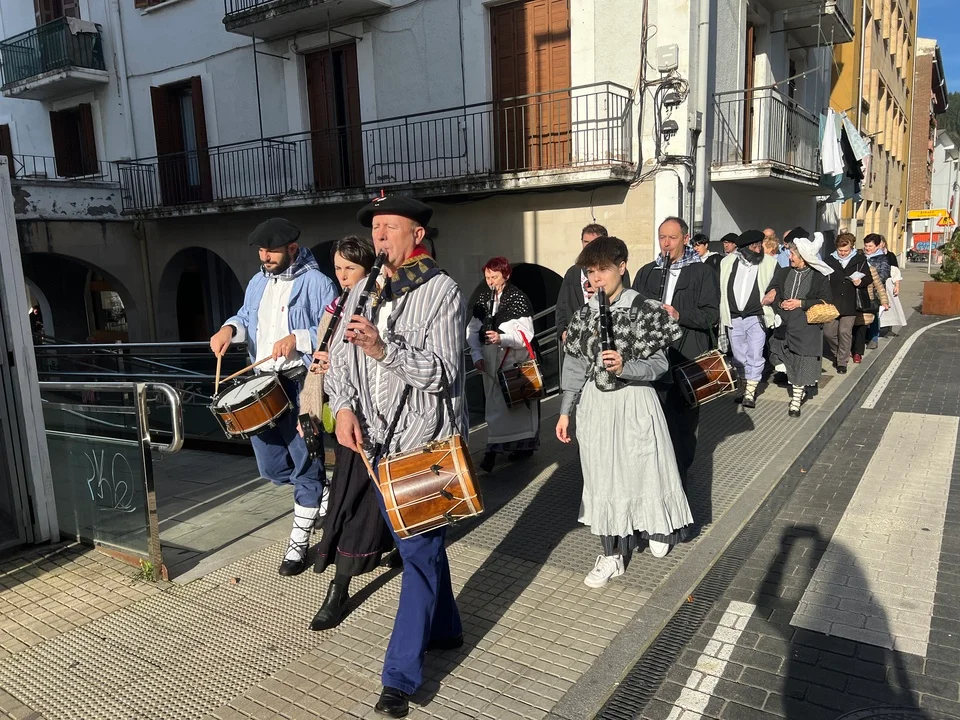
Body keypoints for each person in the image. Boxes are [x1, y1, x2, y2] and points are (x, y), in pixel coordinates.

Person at [324, 194, 465, 719]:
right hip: (373, 445)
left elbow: (443, 373)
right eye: (375, 228)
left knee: (418, 554)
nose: (379, 236)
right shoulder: (362, 289)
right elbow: (339, 360)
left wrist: (383, 349)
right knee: (421, 548)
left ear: (417, 235)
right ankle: (446, 628)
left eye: (389, 227)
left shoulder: (442, 290)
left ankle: (399, 679)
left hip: (423, 446)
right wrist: (342, 407)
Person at [556, 236, 692, 586]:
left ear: (622, 267)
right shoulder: (584, 315)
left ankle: (657, 526)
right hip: (596, 405)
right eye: (591, 271)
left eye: (603, 269)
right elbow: (574, 366)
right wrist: (565, 411)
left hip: (634, 400)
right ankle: (612, 554)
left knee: (644, 468)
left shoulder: (644, 309)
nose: (596, 278)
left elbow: (660, 364)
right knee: (602, 477)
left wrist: (626, 366)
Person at [210, 218, 336, 576]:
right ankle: (321, 492)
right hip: (262, 383)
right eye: (262, 251)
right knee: (271, 467)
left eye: (272, 251)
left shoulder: (318, 282)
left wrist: (298, 337)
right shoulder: (257, 282)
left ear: (292, 249)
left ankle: (298, 543)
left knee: (305, 466)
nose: (265, 257)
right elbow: (246, 317)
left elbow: (333, 330)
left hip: (299, 385)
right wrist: (229, 329)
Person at [301, 236, 396, 632]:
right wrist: (320, 384)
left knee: (377, 500)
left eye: (350, 268)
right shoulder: (337, 306)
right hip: (349, 418)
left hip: (388, 419)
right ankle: (339, 586)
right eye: (338, 268)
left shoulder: (385, 302)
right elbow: (330, 360)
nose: (342, 276)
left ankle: (343, 585)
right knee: (350, 503)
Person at [633, 217, 720, 485]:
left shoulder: (702, 272)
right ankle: (655, 473)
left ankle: (679, 476)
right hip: (653, 355)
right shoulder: (648, 272)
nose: (666, 243)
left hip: (687, 356)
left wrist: (679, 315)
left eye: (672, 237)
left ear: (685, 238)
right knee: (653, 417)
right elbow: (632, 310)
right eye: (662, 237)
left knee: (683, 422)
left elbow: (712, 316)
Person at [466, 257, 540, 473]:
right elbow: (472, 329)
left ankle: (498, 451)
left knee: (513, 406)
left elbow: (527, 334)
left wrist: (502, 338)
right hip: (490, 362)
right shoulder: (483, 299)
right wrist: (476, 354)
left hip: (512, 361)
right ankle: (496, 447)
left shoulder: (517, 298)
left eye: (494, 277)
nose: (490, 282)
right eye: (487, 277)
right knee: (495, 407)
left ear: (506, 275)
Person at [763, 233, 833, 417]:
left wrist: (801, 303)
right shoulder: (784, 272)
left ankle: (795, 400)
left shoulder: (818, 277)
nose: (789, 256)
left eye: (793, 254)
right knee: (782, 357)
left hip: (806, 326)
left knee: (801, 362)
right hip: (784, 324)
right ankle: (797, 389)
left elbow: (826, 300)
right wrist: (778, 302)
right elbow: (774, 290)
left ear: (803, 257)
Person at [719, 230, 778, 408]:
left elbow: (779, 283)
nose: (758, 250)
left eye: (760, 246)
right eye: (754, 247)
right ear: (744, 249)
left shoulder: (770, 263)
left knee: (755, 353)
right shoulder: (727, 262)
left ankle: (750, 392)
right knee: (738, 355)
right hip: (734, 316)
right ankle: (743, 386)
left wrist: (774, 291)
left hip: (756, 315)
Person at [555, 224, 631, 343]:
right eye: (586, 242)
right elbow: (562, 305)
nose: (596, 278)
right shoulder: (573, 272)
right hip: (579, 336)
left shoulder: (617, 271)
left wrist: (602, 297)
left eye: (594, 242)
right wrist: (562, 331)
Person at [824, 233, 888, 373]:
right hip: (832, 302)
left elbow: (869, 278)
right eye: (840, 250)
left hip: (851, 302)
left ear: (852, 247)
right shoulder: (829, 259)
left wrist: (861, 282)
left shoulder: (860, 260)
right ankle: (839, 352)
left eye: (846, 250)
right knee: (829, 332)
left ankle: (842, 362)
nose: (843, 253)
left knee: (845, 332)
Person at [862, 233, 891, 350]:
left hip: (875, 292)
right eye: (866, 246)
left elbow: (884, 275)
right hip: (861, 290)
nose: (867, 248)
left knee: (874, 315)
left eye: (870, 246)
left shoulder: (882, 259)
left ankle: (873, 338)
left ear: (878, 246)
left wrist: (871, 282)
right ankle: (863, 336)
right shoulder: (860, 256)